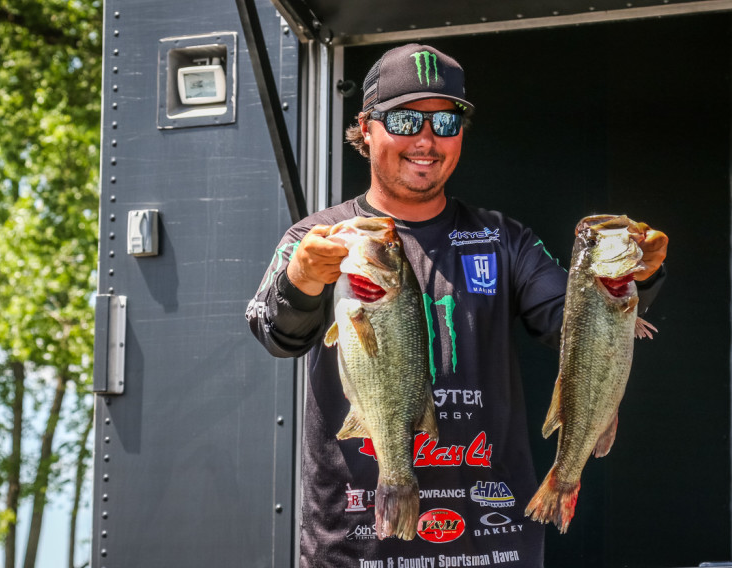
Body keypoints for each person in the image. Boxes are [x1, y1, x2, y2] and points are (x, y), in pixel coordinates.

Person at [246, 43, 668, 568]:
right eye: (405, 119)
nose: (426, 139)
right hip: (355, 544)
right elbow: (273, 333)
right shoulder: (317, 236)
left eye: (446, 123)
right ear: (367, 126)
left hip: (492, 546)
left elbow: (575, 326)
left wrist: (637, 278)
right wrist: (303, 277)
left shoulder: (504, 239)